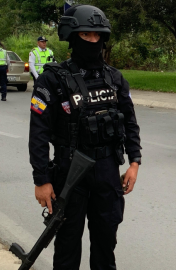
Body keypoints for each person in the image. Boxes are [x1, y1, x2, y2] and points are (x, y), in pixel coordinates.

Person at [29, 5, 142, 269]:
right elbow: (38, 133)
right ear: (71, 36)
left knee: (106, 244)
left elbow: (130, 123)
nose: (93, 41)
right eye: (86, 35)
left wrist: (134, 162)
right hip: (70, 174)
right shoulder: (51, 80)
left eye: (97, 36)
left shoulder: (115, 78)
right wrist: (41, 179)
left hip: (107, 171)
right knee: (67, 247)